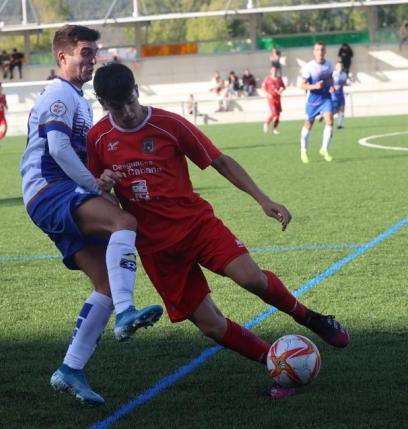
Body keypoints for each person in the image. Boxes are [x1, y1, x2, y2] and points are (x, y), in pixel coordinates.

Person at [87, 62, 350, 397]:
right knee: (211, 326)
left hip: (197, 226)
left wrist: (263, 200)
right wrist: (103, 186)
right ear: (101, 102)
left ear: (137, 90)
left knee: (251, 278)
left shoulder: (169, 124)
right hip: (157, 249)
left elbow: (220, 161)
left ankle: (312, 319)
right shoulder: (98, 139)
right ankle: (277, 363)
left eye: (130, 101)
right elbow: (97, 195)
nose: (126, 112)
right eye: (116, 107)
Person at [19, 24, 163, 406]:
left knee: (104, 285)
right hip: (51, 190)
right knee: (123, 222)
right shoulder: (59, 94)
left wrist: (103, 176)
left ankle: (70, 369)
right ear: (62, 56)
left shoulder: (76, 98)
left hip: (54, 196)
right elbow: (59, 149)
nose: (91, 58)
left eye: (94, 51)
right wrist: (97, 184)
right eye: (85, 51)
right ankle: (128, 312)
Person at [299, 41, 335, 163]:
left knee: (329, 121)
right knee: (308, 126)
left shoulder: (329, 64)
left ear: (325, 51)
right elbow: (302, 85)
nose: (320, 52)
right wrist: (315, 86)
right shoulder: (309, 67)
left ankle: (324, 149)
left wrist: (331, 86)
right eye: (318, 50)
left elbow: (330, 78)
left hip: (326, 98)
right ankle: (303, 150)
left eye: (322, 49)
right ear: (314, 52)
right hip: (313, 101)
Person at [261, 66, 285, 135]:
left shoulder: (279, 79)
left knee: (278, 115)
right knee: (274, 113)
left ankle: (275, 128)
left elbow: (283, 87)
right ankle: (266, 123)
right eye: (273, 70)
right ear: (271, 71)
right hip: (271, 99)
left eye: (275, 70)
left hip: (278, 99)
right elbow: (263, 88)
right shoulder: (267, 79)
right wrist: (267, 94)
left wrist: (281, 90)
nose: (274, 72)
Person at [332, 62, 349, 129]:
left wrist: (348, 84)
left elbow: (344, 83)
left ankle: (339, 125)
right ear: (336, 67)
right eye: (338, 66)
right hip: (334, 95)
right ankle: (324, 115)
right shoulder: (333, 74)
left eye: (341, 66)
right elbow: (329, 83)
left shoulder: (344, 74)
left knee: (342, 109)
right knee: (335, 110)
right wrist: (334, 87)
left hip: (341, 94)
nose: (340, 67)